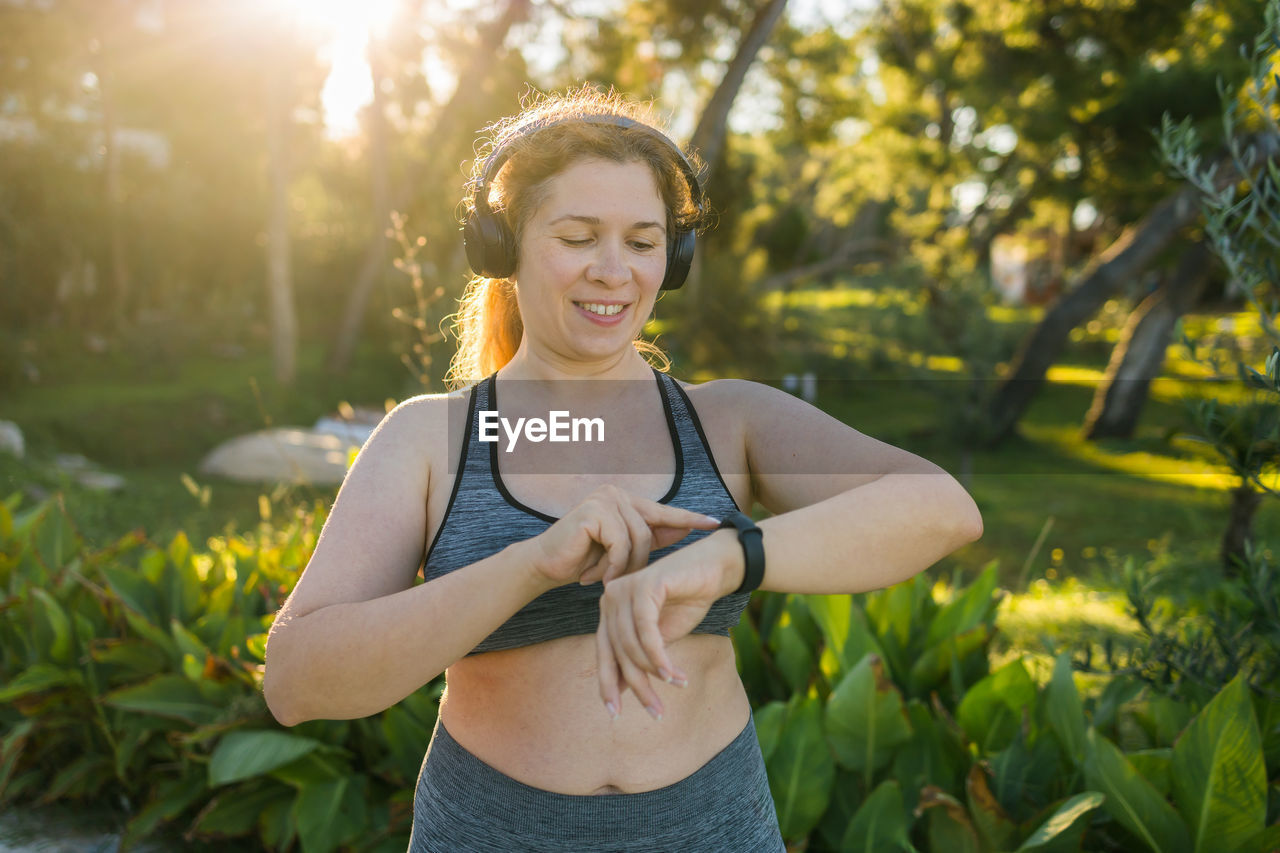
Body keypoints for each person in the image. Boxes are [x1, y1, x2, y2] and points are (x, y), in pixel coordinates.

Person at [262, 87, 983, 852]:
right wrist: (532, 563)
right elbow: (297, 682)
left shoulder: (727, 421)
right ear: (503, 247)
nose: (614, 271)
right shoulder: (430, 441)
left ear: (672, 259)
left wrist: (730, 557)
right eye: (578, 237)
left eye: (642, 243)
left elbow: (943, 507)